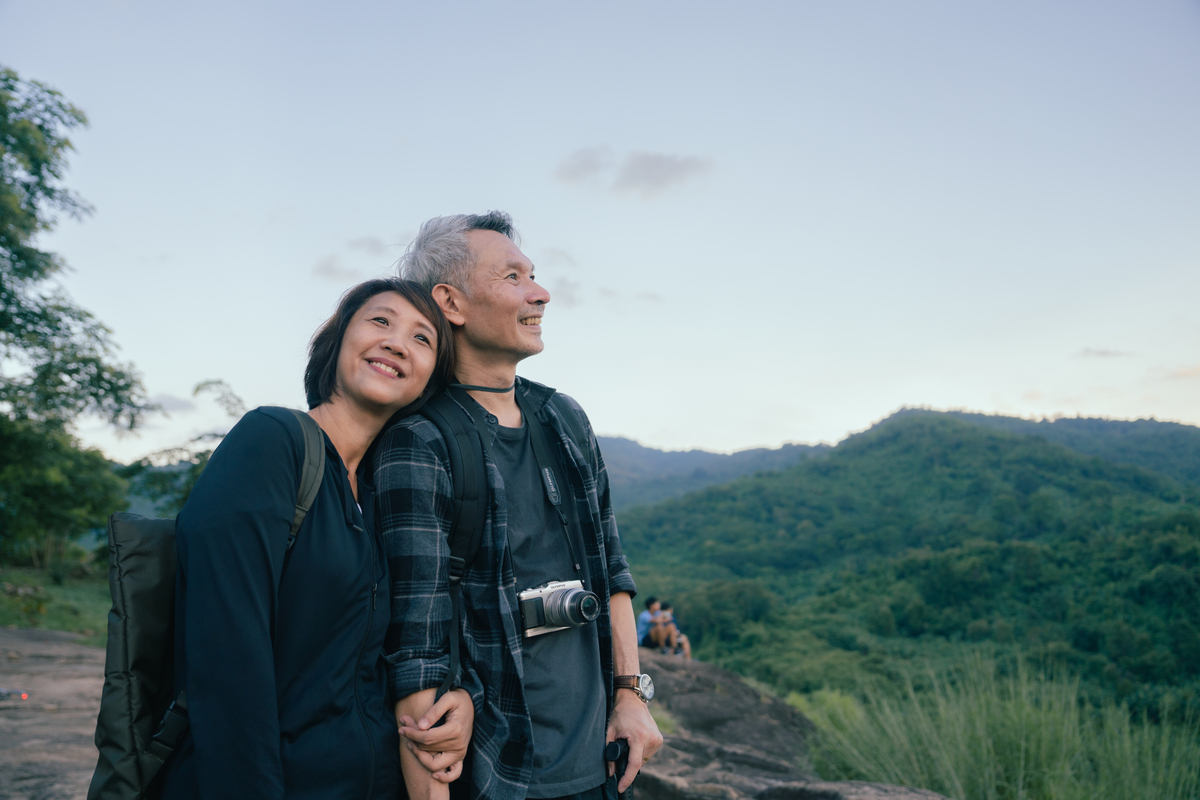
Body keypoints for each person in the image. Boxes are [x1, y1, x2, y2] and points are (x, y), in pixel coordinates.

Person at [375, 212, 663, 800]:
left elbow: (610, 567)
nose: (540, 293)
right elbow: (418, 650)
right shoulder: (421, 440)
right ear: (451, 302)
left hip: (601, 764)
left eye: (533, 275)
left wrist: (631, 694)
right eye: (513, 277)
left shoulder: (563, 416)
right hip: (502, 774)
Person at [160, 278, 476, 799]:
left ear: (427, 382)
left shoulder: (378, 496)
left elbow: (385, 659)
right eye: (380, 321)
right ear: (335, 341)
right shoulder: (271, 443)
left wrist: (457, 700)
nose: (397, 342)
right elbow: (227, 664)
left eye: (423, 339)